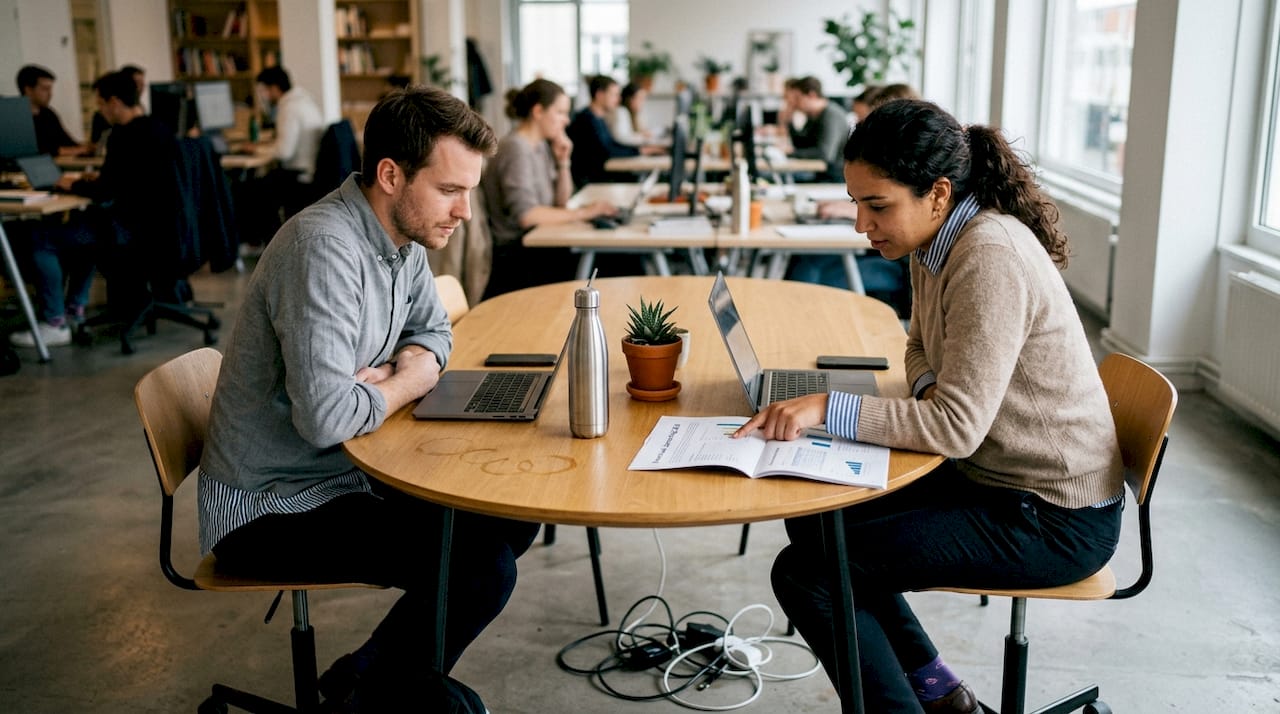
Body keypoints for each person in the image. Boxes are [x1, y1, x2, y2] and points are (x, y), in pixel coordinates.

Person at [737, 99, 1124, 713]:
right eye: (857, 203)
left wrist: (829, 408)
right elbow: (915, 347)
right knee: (818, 524)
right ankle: (942, 696)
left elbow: (956, 427)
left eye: (877, 205)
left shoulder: (987, 254)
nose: (862, 225)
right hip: (998, 478)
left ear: (938, 192)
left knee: (810, 572)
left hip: (1053, 514)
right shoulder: (932, 241)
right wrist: (929, 392)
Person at [198, 86, 540, 711]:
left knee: (515, 515)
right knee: (482, 565)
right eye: (449, 189)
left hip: (347, 466)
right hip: (270, 503)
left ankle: (370, 675)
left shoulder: (400, 239)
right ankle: (381, 692)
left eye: (469, 189)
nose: (464, 210)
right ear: (390, 174)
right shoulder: (324, 249)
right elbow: (329, 417)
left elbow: (435, 333)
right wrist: (409, 380)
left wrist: (386, 376)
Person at [482, 79, 614, 298]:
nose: (565, 120)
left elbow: (560, 203)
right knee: (613, 263)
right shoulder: (516, 148)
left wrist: (564, 162)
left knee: (609, 260)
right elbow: (527, 216)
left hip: (538, 244)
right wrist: (586, 213)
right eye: (560, 112)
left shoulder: (541, 146)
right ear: (538, 111)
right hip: (518, 254)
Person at [566, 75, 662, 188]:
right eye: (614, 95)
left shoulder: (598, 118)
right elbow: (607, 151)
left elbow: (610, 145)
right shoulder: (586, 120)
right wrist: (640, 151)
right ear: (599, 95)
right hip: (591, 182)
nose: (618, 99)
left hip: (599, 177)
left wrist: (640, 150)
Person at [255, 65, 325, 215]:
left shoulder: (288, 108)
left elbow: (284, 152)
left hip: (299, 176)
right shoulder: (304, 100)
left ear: (274, 88)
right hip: (312, 170)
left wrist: (256, 149)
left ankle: (267, 236)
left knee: (252, 188)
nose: (264, 96)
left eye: (264, 90)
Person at [778, 75, 849, 182]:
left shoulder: (831, 115)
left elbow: (824, 154)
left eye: (798, 98)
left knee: (781, 178)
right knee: (781, 177)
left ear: (812, 95)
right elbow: (801, 143)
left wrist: (790, 153)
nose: (794, 103)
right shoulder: (815, 115)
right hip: (820, 173)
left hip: (832, 177)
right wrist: (789, 122)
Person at [16, 64, 87, 157]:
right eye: (45, 89)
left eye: (50, 89)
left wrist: (86, 148)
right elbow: (42, 151)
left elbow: (67, 142)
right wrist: (77, 150)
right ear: (28, 90)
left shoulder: (48, 114)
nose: (50, 94)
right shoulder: (15, 119)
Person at [90, 64, 145, 146]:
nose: (140, 88)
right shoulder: (159, 130)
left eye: (101, 104)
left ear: (113, 102)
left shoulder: (117, 139)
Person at [608, 82, 652, 147]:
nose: (642, 103)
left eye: (643, 99)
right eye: (640, 98)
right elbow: (622, 138)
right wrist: (643, 137)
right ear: (629, 99)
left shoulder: (634, 114)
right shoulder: (621, 111)